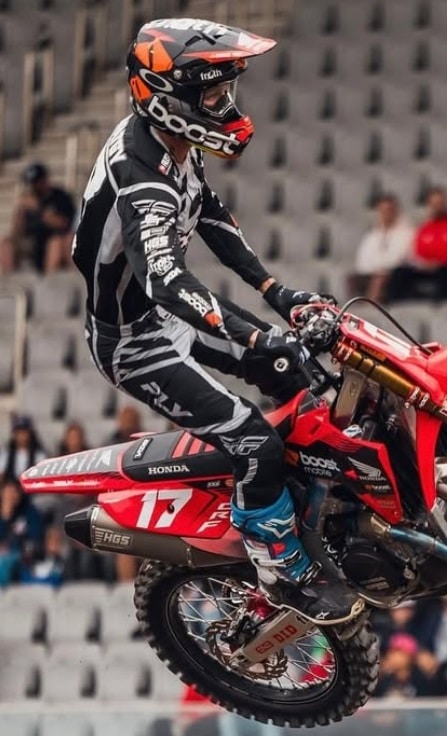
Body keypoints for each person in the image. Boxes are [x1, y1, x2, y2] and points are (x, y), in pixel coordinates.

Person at [71, 18, 361, 624]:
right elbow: (166, 281)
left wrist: (278, 294)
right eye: (211, 95)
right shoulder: (142, 178)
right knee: (252, 438)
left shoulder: (173, 144)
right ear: (167, 97)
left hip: (165, 316)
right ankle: (277, 566)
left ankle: (311, 506)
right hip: (134, 342)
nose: (225, 106)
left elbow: (209, 214)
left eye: (225, 92)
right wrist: (254, 332)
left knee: (292, 368)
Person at [387, 187, 447, 303]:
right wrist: (424, 263)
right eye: (434, 204)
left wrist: (439, 262)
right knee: (399, 272)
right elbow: (417, 251)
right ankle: (397, 307)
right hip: (425, 267)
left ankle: (440, 307)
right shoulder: (424, 227)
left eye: (440, 203)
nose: (438, 207)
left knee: (445, 273)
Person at [0, 162, 77, 274]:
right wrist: (20, 211)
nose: (33, 186)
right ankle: (10, 280)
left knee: (55, 244)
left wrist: (39, 208)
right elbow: (16, 231)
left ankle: (49, 280)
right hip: (32, 239)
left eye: (35, 182)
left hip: (53, 237)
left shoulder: (60, 197)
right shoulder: (29, 199)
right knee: (5, 244)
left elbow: (63, 223)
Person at [350, 193, 414, 302]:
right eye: (383, 211)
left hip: (396, 274)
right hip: (373, 272)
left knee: (379, 280)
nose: (386, 214)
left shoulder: (407, 233)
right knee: (353, 279)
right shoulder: (372, 235)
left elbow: (401, 257)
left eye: (389, 210)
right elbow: (363, 259)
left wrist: (382, 269)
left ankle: (371, 306)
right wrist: (375, 269)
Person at [0, 477, 44, 586]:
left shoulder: (29, 512)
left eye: (14, 491)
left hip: (21, 555)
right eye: (8, 492)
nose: (11, 496)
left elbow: (36, 537)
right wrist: (5, 517)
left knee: (5, 562)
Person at [0, 414, 48, 484]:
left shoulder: (38, 455)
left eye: (24, 432)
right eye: (18, 433)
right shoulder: (6, 453)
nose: (22, 436)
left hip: (31, 488)